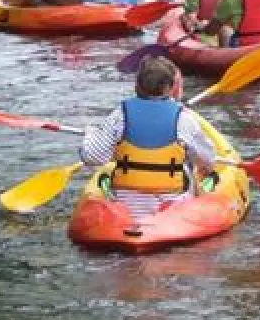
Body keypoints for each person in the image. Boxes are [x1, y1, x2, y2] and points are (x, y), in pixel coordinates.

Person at [79, 57, 218, 218]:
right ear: (171, 87)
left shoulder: (120, 114)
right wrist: (204, 169)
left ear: (136, 85)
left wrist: (91, 134)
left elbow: (92, 157)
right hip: (172, 206)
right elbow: (208, 160)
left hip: (127, 204)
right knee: (191, 168)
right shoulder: (184, 118)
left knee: (107, 172)